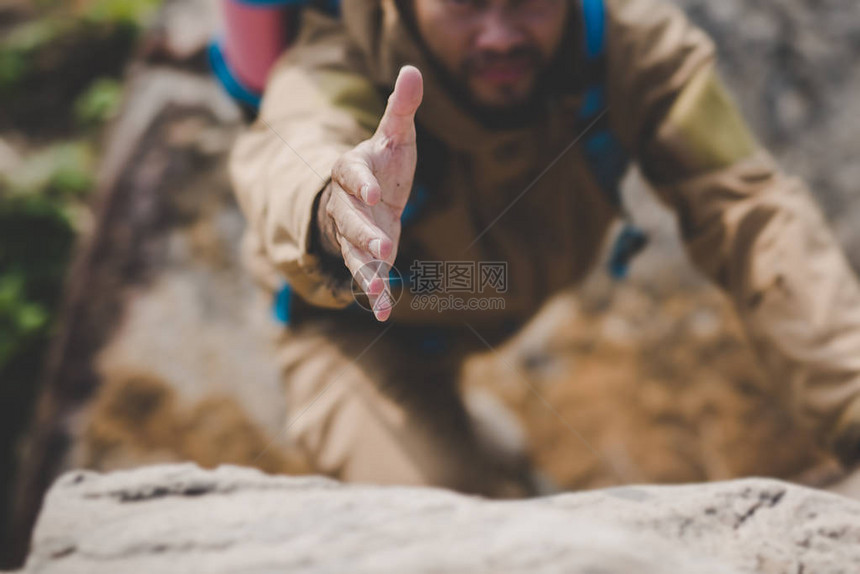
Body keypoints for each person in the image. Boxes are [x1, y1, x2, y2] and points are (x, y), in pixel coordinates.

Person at [229, 0, 860, 496]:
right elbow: (292, 147)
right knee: (445, 540)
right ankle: (470, 444)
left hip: (479, 302)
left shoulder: (631, 45)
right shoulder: (337, 62)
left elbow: (749, 212)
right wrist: (333, 207)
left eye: (529, 1)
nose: (499, 35)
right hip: (349, 333)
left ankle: (482, 440)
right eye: (465, 2)